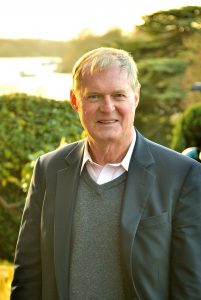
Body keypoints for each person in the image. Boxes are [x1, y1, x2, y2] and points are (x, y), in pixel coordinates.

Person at [11, 47, 201, 300]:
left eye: (119, 95)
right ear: (75, 101)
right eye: (94, 96)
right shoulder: (48, 170)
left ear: (135, 97)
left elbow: (190, 286)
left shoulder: (182, 175)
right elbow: (27, 277)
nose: (107, 107)